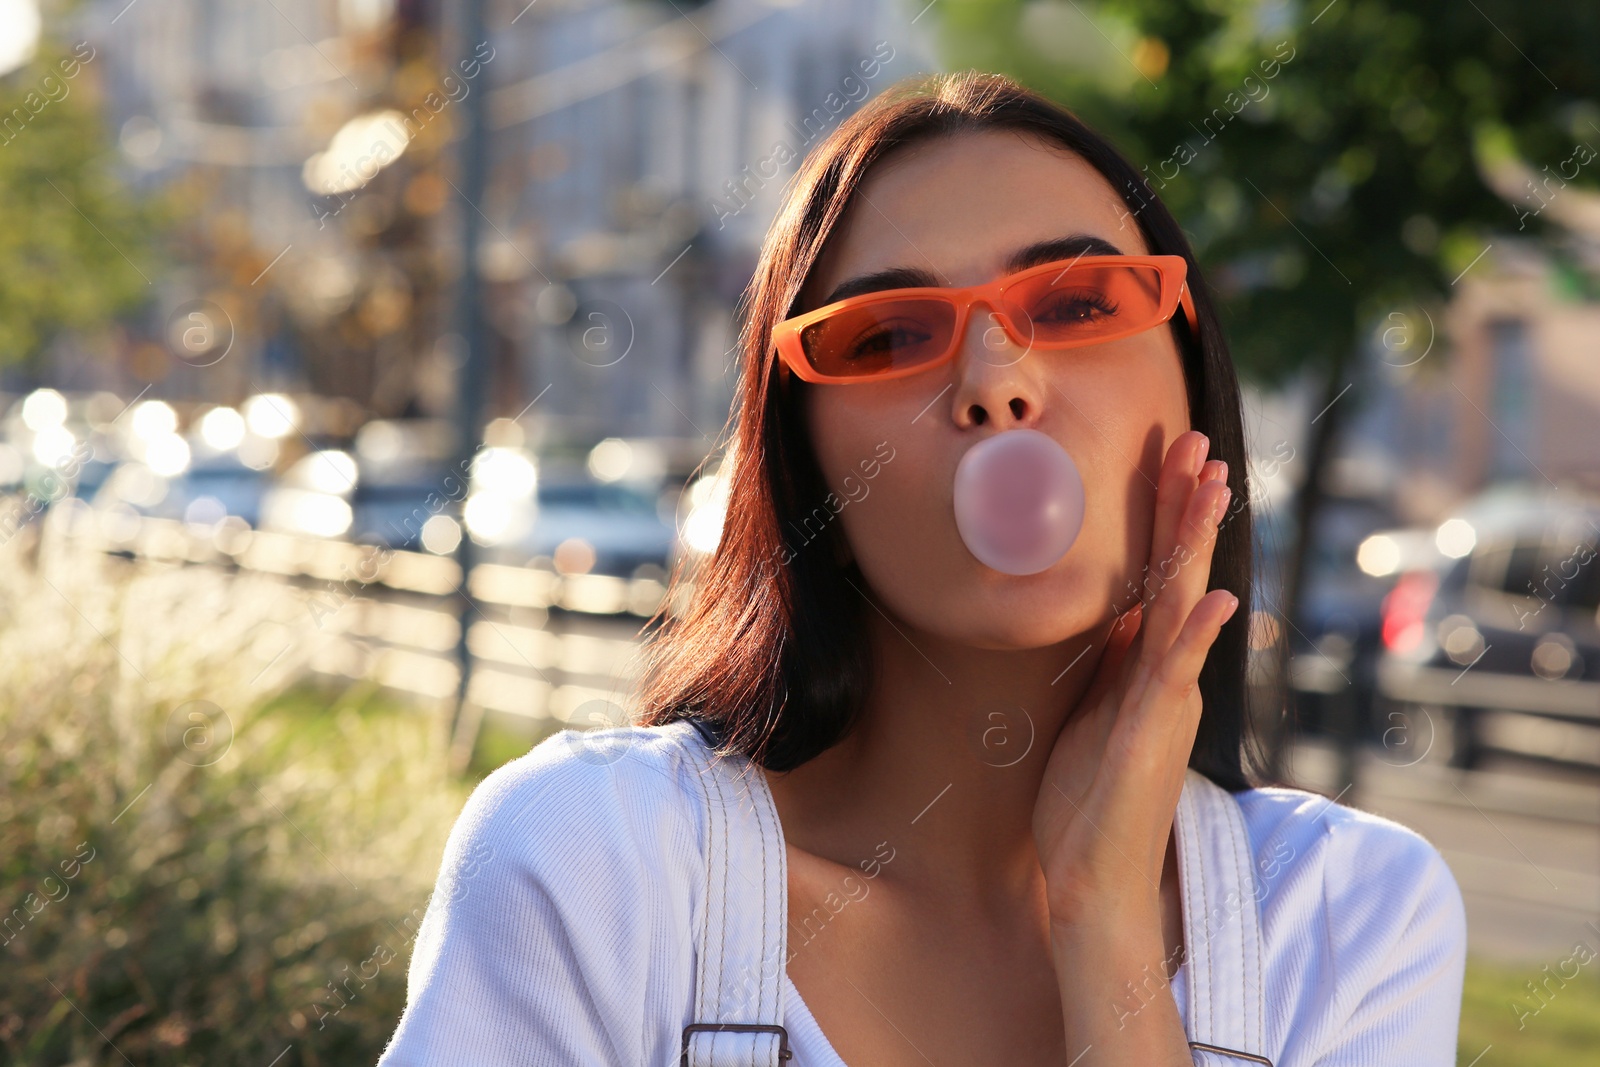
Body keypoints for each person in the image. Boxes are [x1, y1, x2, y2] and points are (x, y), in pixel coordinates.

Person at [377, 70, 1466, 1066]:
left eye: (1078, 301)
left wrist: (1107, 924)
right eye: (890, 336)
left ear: (1192, 385)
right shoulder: (599, 865)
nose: (995, 382)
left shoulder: (1345, 915)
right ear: (804, 467)